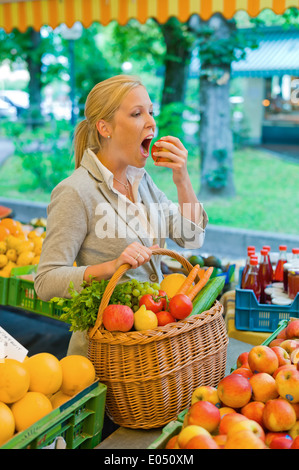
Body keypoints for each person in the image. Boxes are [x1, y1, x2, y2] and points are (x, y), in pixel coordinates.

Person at [34, 74, 208, 356]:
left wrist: (182, 178)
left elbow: (191, 238)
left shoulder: (142, 180)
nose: (151, 121)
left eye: (151, 112)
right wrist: (110, 266)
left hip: (149, 348)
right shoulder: (75, 192)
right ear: (105, 127)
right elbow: (45, 282)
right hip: (105, 356)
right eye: (137, 114)